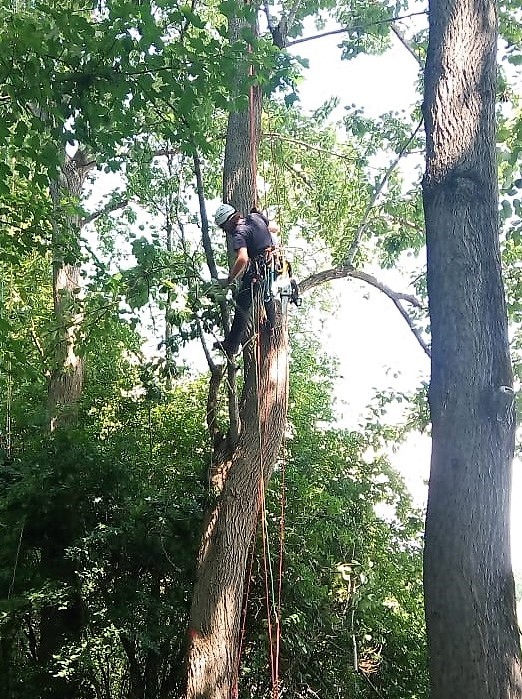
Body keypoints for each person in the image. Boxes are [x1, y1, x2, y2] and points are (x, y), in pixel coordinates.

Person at [213, 203, 278, 357]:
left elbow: (242, 258)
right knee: (266, 295)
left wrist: (229, 279)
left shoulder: (238, 233)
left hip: (260, 269)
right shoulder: (255, 217)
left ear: (228, 223)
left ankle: (232, 345)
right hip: (274, 264)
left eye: (224, 228)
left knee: (242, 304)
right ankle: (272, 324)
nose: (225, 231)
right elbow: (275, 228)